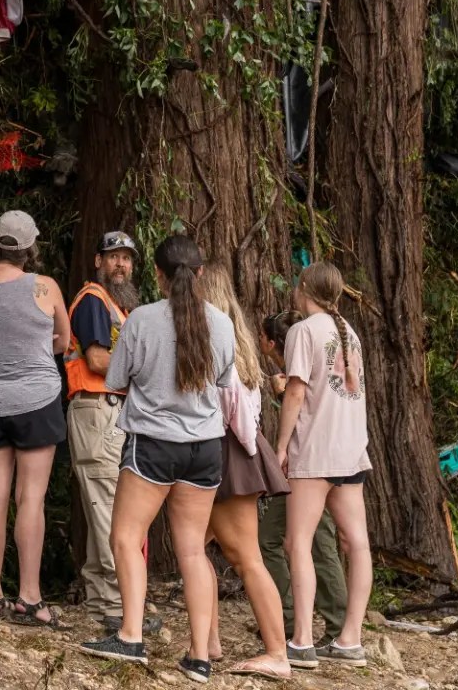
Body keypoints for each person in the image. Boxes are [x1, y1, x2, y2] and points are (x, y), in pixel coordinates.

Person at [79, 235, 235, 682]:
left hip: (153, 444)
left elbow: (115, 377)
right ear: (200, 274)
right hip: (204, 447)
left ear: (159, 276)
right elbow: (224, 381)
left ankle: (130, 636)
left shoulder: (142, 319)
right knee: (193, 549)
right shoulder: (222, 323)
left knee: (126, 538)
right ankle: (200, 656)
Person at [0, 211, 70, 627]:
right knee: (31, 498)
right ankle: (30, 596)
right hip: (36, 399)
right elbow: (64, 341)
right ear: (30, 248)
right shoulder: (45, 286)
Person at [274, 262, 373, 669]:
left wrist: (281, 447)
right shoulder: (350, 333)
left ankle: (302, 640)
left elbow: (296, 392)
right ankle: (351, 639)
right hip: (351, 449)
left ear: (303, 289)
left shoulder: (303, 331)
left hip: (316, 450)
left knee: (297, 542)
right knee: (357, 543)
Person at [196, 263, 292, 679]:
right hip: (228, 451)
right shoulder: (238, 341)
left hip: (227, 452)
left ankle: (277, 653)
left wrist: (245, 453)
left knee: (247, 558)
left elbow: (233, 410)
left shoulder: (219, 343)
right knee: (193, 547)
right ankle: (209, 639)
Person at [64, 230, 161, 634]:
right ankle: (120, 604)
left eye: (127, 258)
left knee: (104, 505)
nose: (121, 264)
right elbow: (98, 359)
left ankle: (103, 601)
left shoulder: (117, 306)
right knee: (107, 507)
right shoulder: (93, 299)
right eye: (113, 256)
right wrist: (147, 369)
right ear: (98, 262)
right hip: (96, 408)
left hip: (110, 412)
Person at [256, 309, 348, 656]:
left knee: (315, 542)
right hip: (309, 465)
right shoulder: (299, 364)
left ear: (270, 342)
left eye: (262, 336)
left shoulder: (299, 368)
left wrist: (282, 397)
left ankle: (330, 626)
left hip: (310, 466)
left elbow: (307, 411)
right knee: (282, 539)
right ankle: (293, 618)